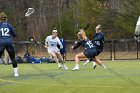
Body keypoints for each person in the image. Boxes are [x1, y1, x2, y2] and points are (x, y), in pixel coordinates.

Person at [0, 12, 19, 77]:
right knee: (13, 58)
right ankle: (16, 74)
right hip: (9, 42)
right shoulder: (9, 25)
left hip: (1, 43)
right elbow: (15, 35)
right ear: (6, 19)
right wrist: (13, 30)